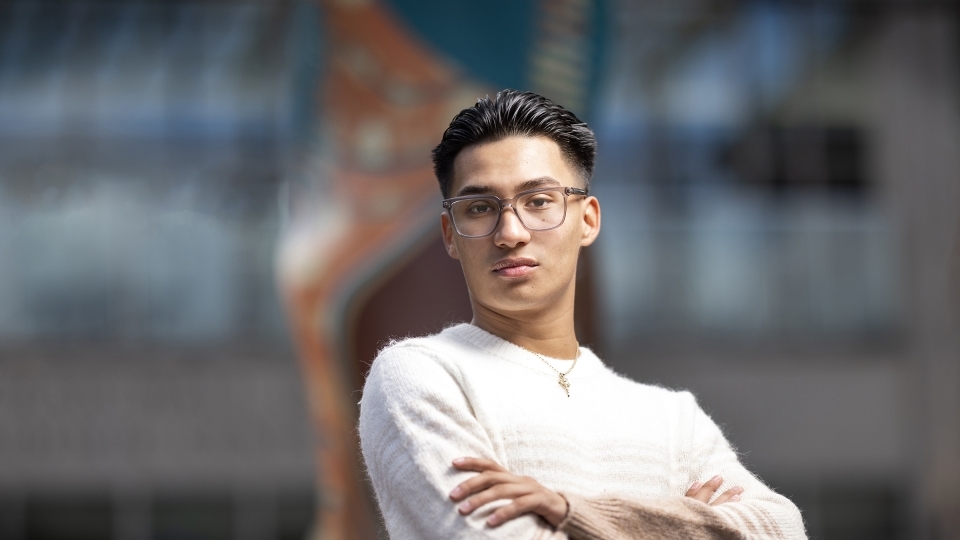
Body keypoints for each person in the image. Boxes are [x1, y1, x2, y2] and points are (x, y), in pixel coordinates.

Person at [358, 90, 806, 539]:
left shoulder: (673, 419)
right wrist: (679, 521)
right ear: (450, 234)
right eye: (479, 208)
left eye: (538, 201)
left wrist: (569, 511)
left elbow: (782, 529)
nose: (510, 233)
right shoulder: (420, 376)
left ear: (587, 220)